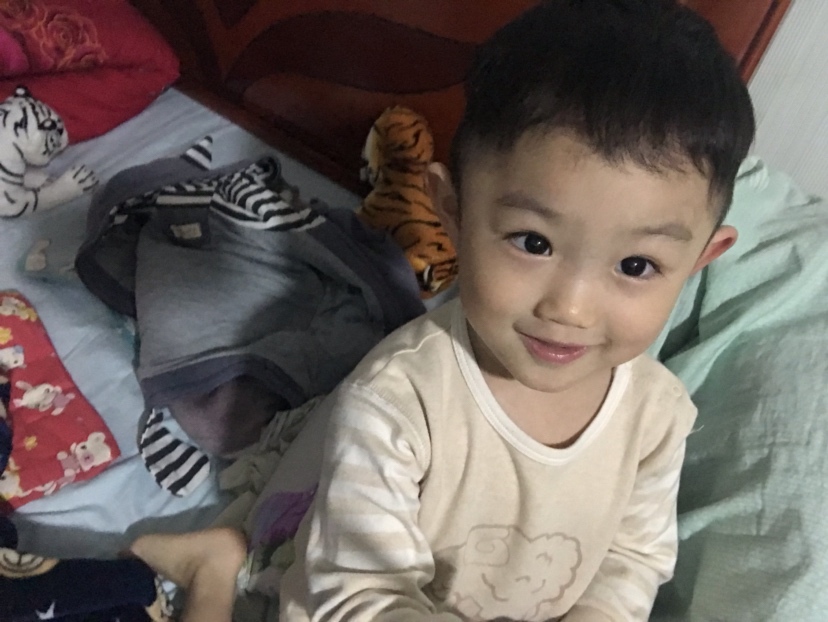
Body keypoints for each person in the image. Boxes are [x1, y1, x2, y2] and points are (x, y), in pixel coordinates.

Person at [131, 0, 755, 619]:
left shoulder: (657, 416)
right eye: (533, 243)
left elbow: (632, 558)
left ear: (700, 260)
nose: (570, 308)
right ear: (451, 213)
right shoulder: (398, 402)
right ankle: (218, 568)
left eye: (636, 266)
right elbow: (356, 594)